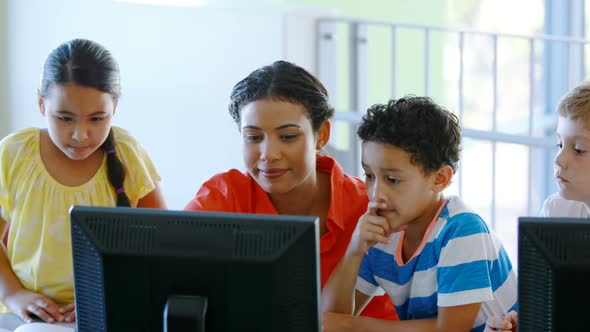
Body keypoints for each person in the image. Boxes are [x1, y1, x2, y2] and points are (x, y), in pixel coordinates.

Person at [184, 60, 397, 320]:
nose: (268, 154)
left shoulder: (373, 205)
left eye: (287, 137)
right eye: (253, 137)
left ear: (322, 134)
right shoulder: (222, 199)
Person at [0, 39, 166, 331]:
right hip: (25, 313)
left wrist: (108, 294)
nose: (80, 135)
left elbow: (162, 242)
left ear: (115, 106)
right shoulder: (15, 153)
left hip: (109, 310)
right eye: (64, 118)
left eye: (97, 118)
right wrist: (13, 294)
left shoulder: (128, 154)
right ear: (41, 103)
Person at [321, 97, 518, 332]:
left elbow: (450, 330)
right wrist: (354, 251)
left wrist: (352, 326)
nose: (376, 193)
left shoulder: (462, 230)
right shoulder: (382, 230)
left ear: (440, 179)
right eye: (369, 175)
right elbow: (328, 319)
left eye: (392, 180)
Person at [484, 81, 590, 332]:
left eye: (579, 149)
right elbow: (544, 305)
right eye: (559, 144)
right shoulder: (559, 211)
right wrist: (521, 323)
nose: (559, 159)